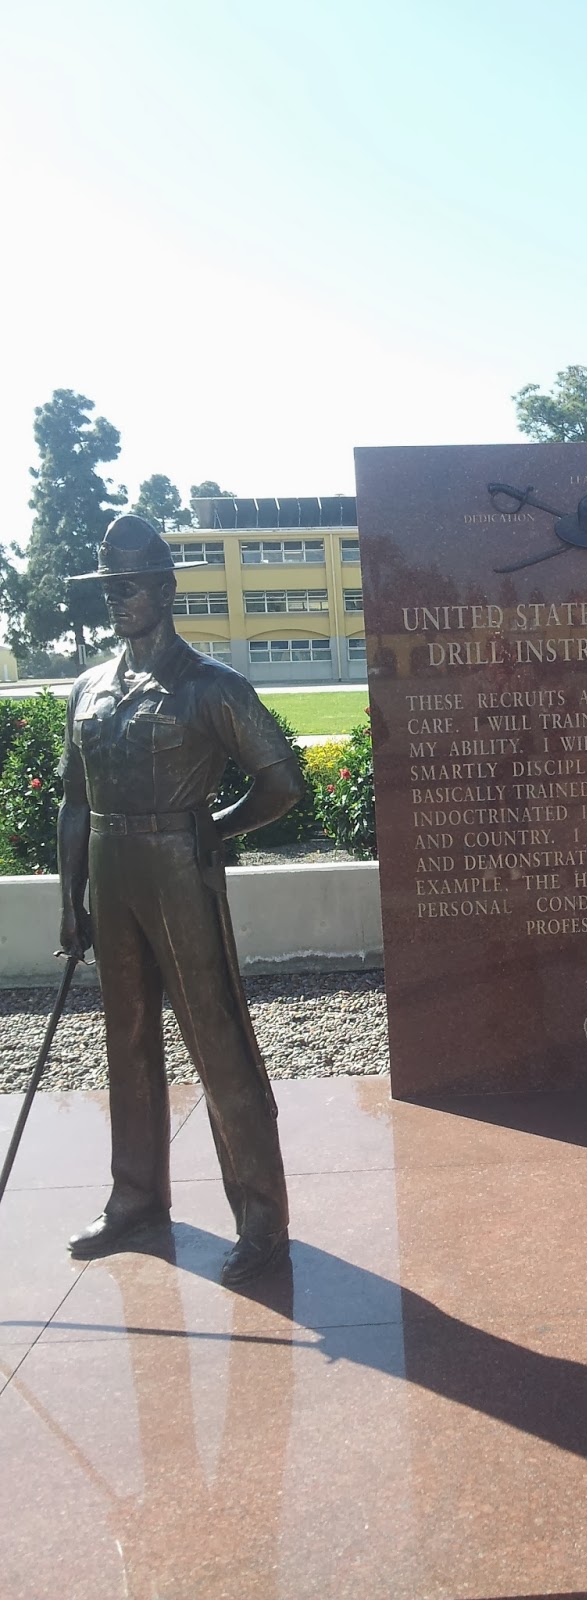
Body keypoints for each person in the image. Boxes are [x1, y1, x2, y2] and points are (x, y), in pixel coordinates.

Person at [59, 514, 306, 1284]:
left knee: (216, 1037)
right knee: (126, 1039)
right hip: (111, 865)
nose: (116, 599)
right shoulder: (89, 688)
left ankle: (261, 1217)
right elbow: (73, 801)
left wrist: (214, 828)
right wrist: (71, 899)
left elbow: (282, 783)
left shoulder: (211, 687)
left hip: (178, 865)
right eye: (109, 587)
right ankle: (135, 1197)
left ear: (165, 592)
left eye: (129, 586)